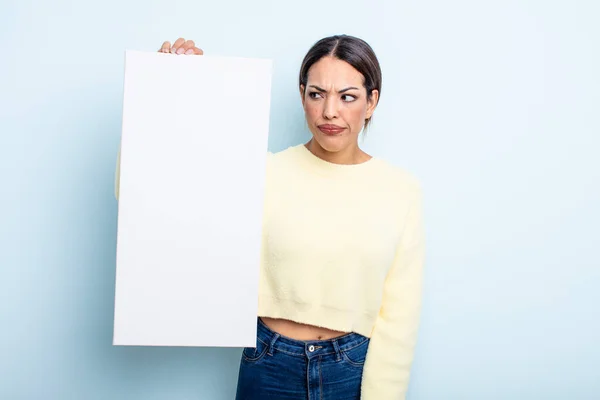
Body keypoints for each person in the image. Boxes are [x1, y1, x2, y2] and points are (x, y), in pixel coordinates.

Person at [115, 35, 425, 400]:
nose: (329, 111)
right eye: (316, 93)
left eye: (347, 96)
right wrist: (164, 86)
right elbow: (145, 193)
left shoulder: (400, 190)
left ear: (371, 101)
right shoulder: (262, 172)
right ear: (301, 95)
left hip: (352, 369)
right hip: (269, 363)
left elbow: (399, 319)